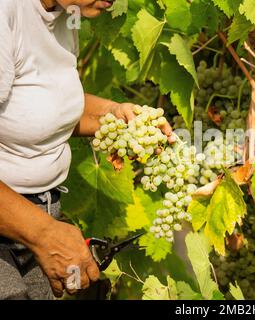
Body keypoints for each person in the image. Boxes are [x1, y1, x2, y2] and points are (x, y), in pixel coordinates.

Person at [0, 0, 173, 299]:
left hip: (39, 217)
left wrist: (115, 116)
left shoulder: (66, 14)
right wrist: (43, 234)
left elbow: (37, 108)